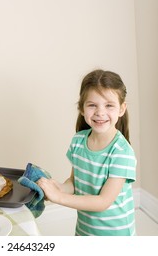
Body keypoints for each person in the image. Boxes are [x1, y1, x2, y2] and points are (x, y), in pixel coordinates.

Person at [37, 69, 137, 236]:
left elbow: (103, 202)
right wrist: (58, 188)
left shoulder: (122, 152)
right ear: (82, 108)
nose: (100, 112)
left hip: (116, 236)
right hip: (85, 231)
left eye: (109, 105)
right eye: (92, 105)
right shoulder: (78, 141)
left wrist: (59, 198)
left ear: (121, 109)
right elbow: (74, 183)